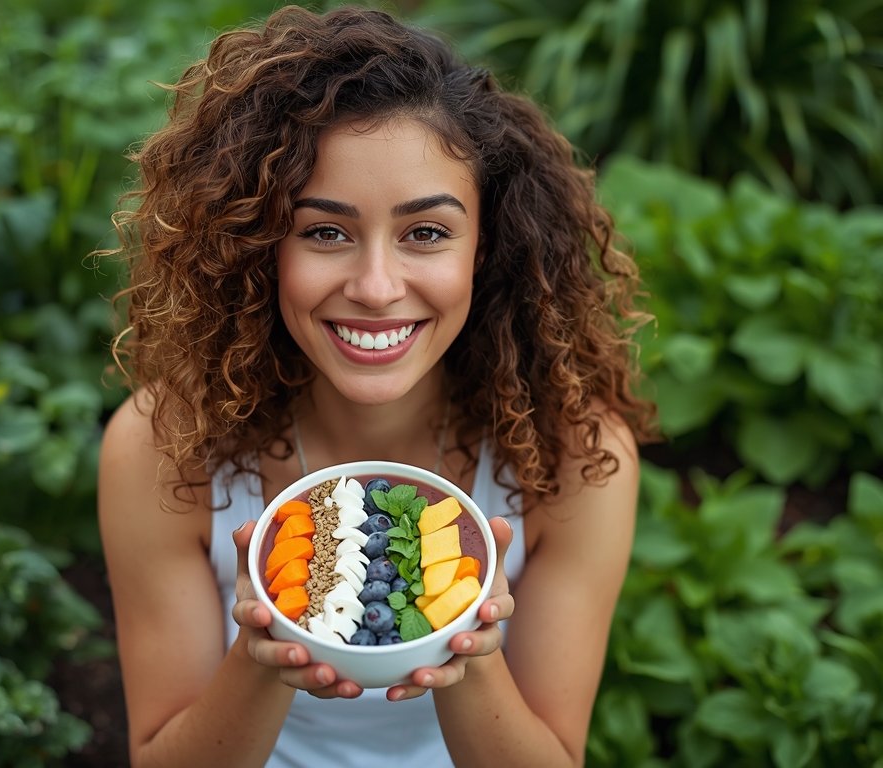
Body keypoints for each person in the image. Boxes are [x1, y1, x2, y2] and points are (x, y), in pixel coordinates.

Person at [97, 5, 656, 767]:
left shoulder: (575, 457)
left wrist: (471, 652)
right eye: (325, 231)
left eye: (426, 232)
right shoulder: (161, 447)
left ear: (485, 248)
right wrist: (261, 656)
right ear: (259, 244)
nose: (376, 286)